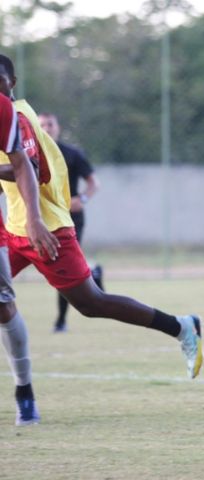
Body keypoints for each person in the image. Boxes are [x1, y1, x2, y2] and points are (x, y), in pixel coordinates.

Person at [0, 54, 204, 426]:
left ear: (11, 83)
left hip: (43, 226)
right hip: (11, 227)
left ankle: (181, 326)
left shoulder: (19, 118)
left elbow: (26, 168)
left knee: (91, 303)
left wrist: (33, 221)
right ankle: (24, 393)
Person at [0, 90, 60, 425]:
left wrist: (34, 219)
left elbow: (24, 165)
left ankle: (24, 390)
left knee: (3, 307)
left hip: (26, 223)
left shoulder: (7, 112)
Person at [39, 112, 103, 333]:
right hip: (41, 220)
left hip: (70, 219)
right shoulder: (32, 153)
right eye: (42, 125)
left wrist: (82, 199)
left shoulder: (72, 154)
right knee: (60, 267)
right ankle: (93, 272)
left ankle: (61, 321)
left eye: (50, 124)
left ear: (58, 127)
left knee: (63, 269)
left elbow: (94, 182)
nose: (46, 128)